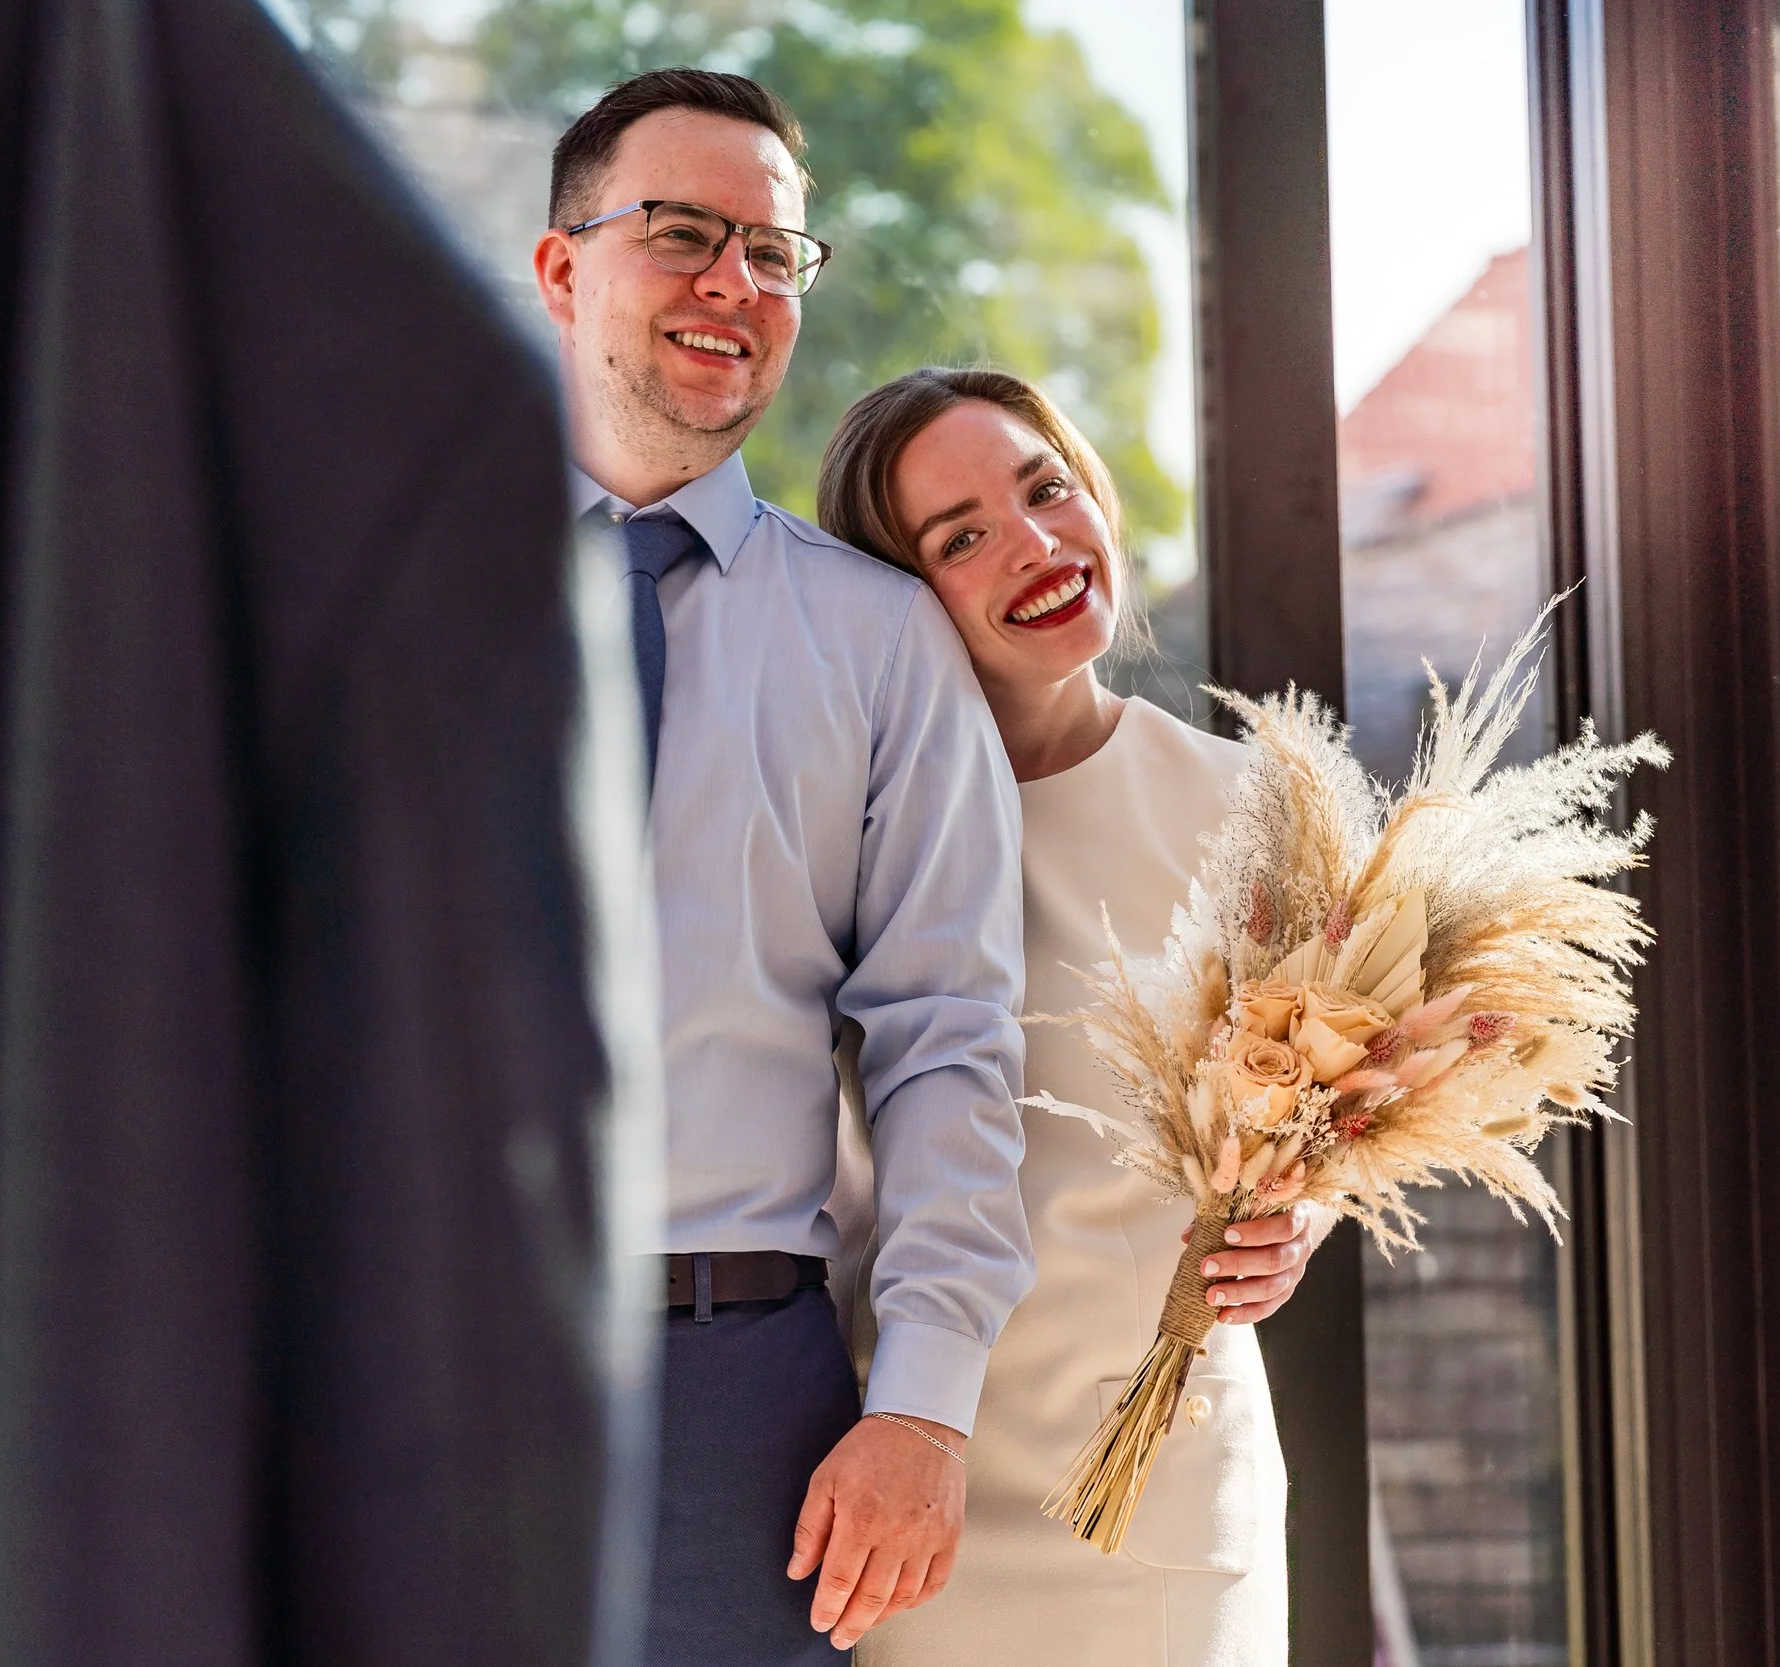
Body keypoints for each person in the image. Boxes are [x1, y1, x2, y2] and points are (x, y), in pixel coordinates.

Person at [531, 74, 1036, 1664]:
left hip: (738, 1400)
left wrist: (928, 1409)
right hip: (398, 1354)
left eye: (774, 253)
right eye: (683, 233)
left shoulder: (880, 642)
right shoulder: (373, 591)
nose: (732, 286)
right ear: (563, 268)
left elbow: (949, 1032)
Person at [818, 369, 1328, 1667]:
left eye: (1045, 489)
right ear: (899, 592)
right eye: (962, 536)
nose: (1035, 544)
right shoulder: (851, 831)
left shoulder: (1256, 806)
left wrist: (1296, 1216)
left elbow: (1326, 1113)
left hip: (1159, 1488)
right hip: (909, 1492)